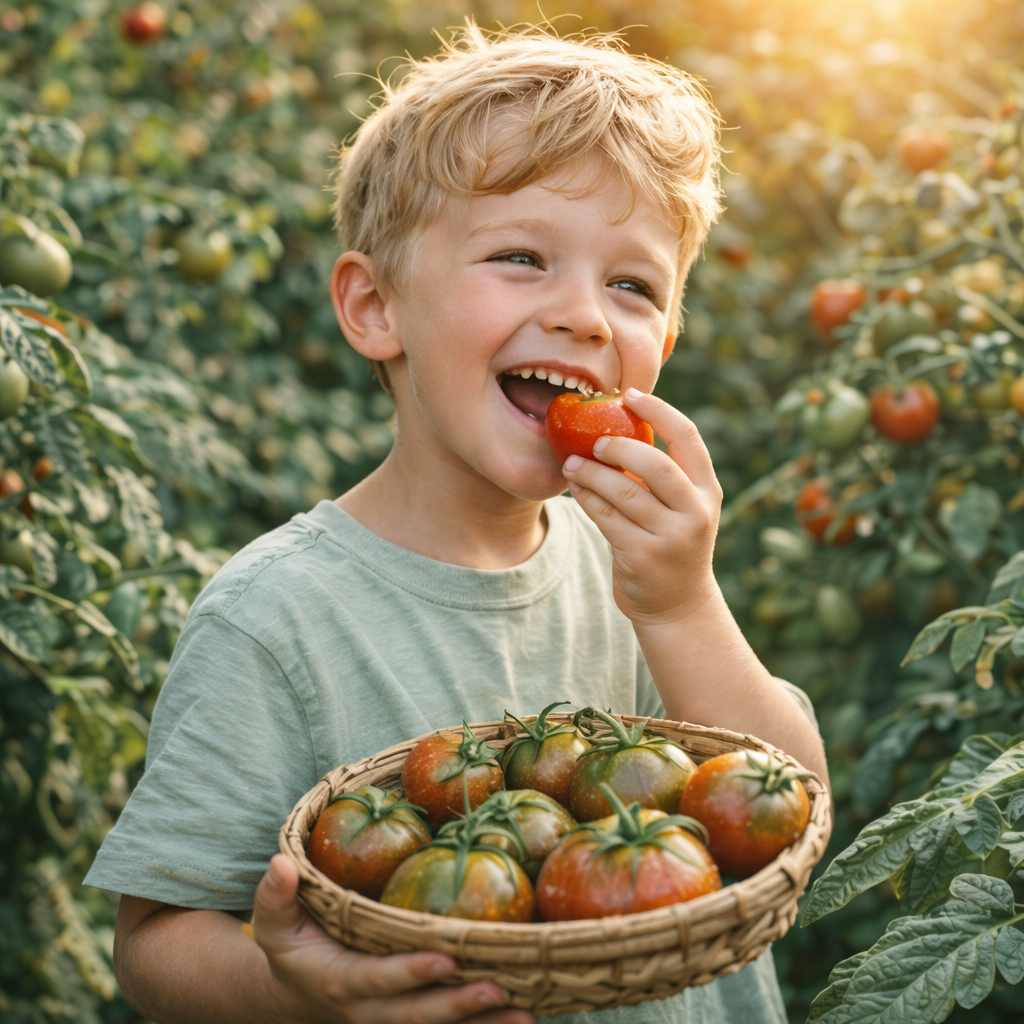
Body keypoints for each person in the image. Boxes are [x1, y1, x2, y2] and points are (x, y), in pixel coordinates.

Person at [87, 24, 829, 1024]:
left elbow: (790, 811)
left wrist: (684, 599)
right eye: (521, 257)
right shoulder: (278, 614)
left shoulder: (638, 566)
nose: (585, 316)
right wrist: (303, 995)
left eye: (633, 284)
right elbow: (155, 944)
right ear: (374, 306)